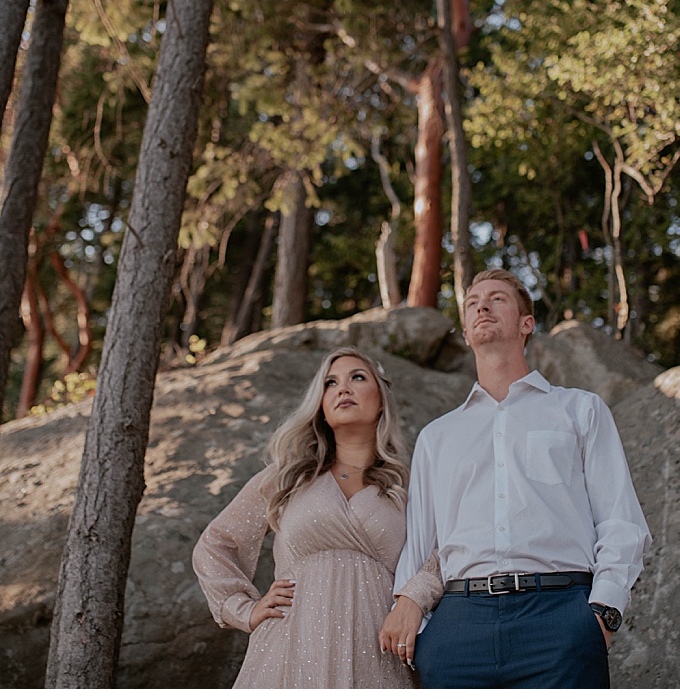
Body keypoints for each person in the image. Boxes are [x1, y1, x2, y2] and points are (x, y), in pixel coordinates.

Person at [379, 269, 652, 688]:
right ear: (466, 334)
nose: (482, 307)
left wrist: (603, 613)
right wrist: (419, 620)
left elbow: (621, 521)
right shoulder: (437, 436)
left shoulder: (581, 411)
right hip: (458, 627)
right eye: (473, 303)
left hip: (561, 618)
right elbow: (420, 541)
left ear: (527, 323)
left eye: (497, 298)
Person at [192, 346, 440, 688]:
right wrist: (243, 608)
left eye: (357, 377)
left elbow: (442, 553)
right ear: (321, 405)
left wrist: (413, 601)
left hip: (377, 647)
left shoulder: (408, 486)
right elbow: (216, 543)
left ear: (382, 400)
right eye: (330, 383)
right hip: (289, 643)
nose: (343, 388)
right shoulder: (288, 477)